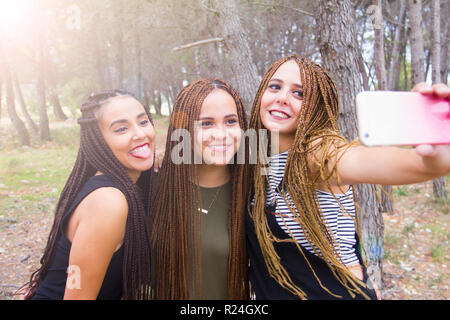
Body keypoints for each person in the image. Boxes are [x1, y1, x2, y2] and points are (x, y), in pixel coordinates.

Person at [246, 54, 450, 300]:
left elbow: (360, 160)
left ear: (316, 107)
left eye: (299, 94)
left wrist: (428, 164)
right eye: (275, 87)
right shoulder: (259, 156)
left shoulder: (318, 152)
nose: (281, 98)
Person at [22, 90, 156, 300]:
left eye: (143, 122)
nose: (140, 134)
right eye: (121, 129)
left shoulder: (127, 184)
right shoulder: (108, 202)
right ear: (99, 142)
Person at [150, 79, 250, 299]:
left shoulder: (251, 192)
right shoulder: (155, 184)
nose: (221, 134)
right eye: (206, 123)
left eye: (231, 121)